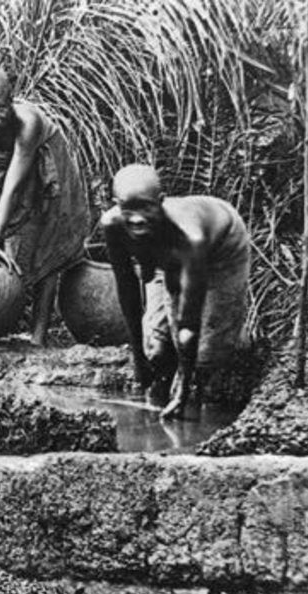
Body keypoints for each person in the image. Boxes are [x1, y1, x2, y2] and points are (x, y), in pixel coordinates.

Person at [99, 164, 251, 419]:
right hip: (165, 254)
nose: (137, 219)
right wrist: (138, 359)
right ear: (117, 205)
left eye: (146, 207)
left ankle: (225, 351)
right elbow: (127, 289)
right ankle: (169, 379)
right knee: (155, 349)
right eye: (129, 209)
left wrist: (182, 391)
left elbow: (188, 319)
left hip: (221, 251)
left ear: (161, 201)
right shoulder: (112, 224)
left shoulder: (190, 235)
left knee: (205, 358)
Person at [0, 67, 90, 345]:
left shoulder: (28, 122)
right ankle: (0, 321)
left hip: (42, 160)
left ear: (11, 101)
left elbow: (14, 187)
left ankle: (38, 335)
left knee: (46, 242)